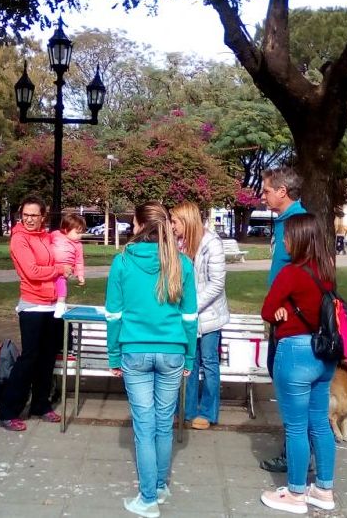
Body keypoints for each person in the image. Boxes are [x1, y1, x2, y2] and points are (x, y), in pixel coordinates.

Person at [106, 201, 198, 518]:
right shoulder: (182, 263)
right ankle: (159, 485)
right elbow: (189, 317)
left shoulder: (122, 262)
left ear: (139, 225)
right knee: (163, 423)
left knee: (144, 427)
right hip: (172, 351)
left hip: (134, 351)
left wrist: (113, 354)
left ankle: (148, 499)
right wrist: (189, 357)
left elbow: (113, 315)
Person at [259, 213, 337, 514]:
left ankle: (295, 493)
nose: (283, 241)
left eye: (287, 236)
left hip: (295, 353)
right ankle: (324, 489)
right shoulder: (327, 271)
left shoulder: (291, 273)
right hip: (323, 354)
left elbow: (267, 309)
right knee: (319, 423)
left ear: (300, 239)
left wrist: (279, 311)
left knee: (295, 427)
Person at [0, 195, 71, 431]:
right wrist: (60, 268)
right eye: (25, 215)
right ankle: (7, 412)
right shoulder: (19, 239)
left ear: (42, 217)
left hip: (52, 306)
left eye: (33, 215)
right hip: (33, 305)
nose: (28, 219)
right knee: (28, 359)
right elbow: (32, 271)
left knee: (47, 357)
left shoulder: (46, 237)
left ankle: (40, 404)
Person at [261, 166, 307, 474]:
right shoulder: (282, 222)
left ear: (282, 191)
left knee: (291, 391)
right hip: (278, 318)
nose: (262, 196)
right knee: (280, 378)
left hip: (291, 324)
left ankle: (296, 457)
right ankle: (296, 452)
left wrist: (288, 308)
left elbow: (310, 272)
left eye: (266, 190)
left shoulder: (299, 224)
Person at [170, 201, 229, 430]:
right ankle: (187, 409)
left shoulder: (212, 244)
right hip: (187, 316)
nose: (172, 226)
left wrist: (193, 307)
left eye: (175, 221)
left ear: (186, 221)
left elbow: (216, 284)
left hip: (209, 316)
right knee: (189, 364)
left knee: (210, 363)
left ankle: (208, 412)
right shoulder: (177, 243)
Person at [51, 213, 86, 318]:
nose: (80, 235)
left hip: (65, 271)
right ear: (66, 230)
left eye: (82, 233)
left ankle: (60, 305)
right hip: (51, 267)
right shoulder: (55, 235)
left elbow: (79, 261)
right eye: (77, 232)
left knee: (61, 286)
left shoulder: (78, 245)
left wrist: (80, 275)